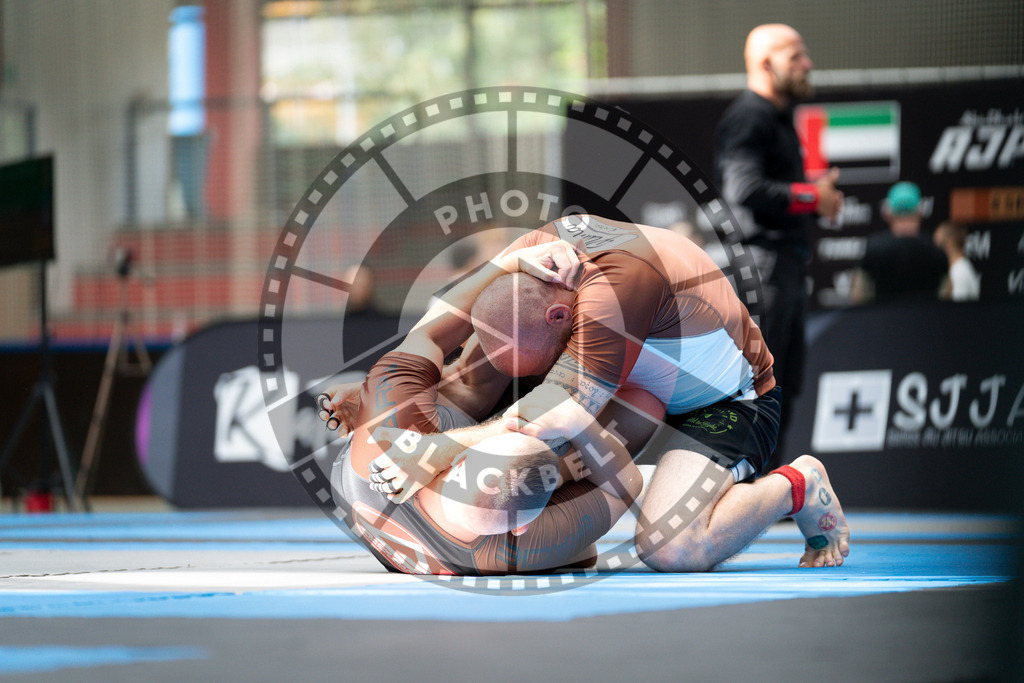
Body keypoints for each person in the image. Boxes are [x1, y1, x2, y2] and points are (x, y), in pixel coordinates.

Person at [359, 214, 850, 570]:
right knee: (480, 379)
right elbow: (429, 332)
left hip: (726, 402)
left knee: (672, 548)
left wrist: (434, 449)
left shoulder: (616, 292)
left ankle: (796, 485)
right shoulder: (533, 253)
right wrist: (501, 262)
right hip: (638, 385)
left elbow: (553, 409)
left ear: (560, 317)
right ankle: (628, 486)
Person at [322, 238, 646, 575]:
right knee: (613, 420)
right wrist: (578, 422)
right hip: (402, 505)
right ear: (520, 527)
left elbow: (432, 334)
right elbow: (625, 489)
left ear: (457, 460)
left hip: (368, 471)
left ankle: (545, 430)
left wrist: (509, 262)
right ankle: (559, 450)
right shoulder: (517, 551)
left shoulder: (390, 423)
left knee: (471, 375)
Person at [713, 23, 844, 466]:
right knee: (761, 384)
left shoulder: (774, 118)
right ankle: (741, 492)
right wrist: (812, 196)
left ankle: (767, 490)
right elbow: (744, 189)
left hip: (780, 268)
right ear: (766, 63)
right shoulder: (750, 115)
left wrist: (808, 196)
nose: (808, 64)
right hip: (762, 269)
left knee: (782, 382)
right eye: (796, 55)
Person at [852, 181, 948, 304]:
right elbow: (946, 298)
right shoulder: (936, 251)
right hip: (926, 321)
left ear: (888, 215)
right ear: (920, 214)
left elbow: (859, 297)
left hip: (883, 321)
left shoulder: (874, 250)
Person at [934, 221, 981, 301]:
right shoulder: (955, 270)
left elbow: (958, 311)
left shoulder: (960, 271)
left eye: (937, 245)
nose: (934, 250)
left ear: (949, 243)